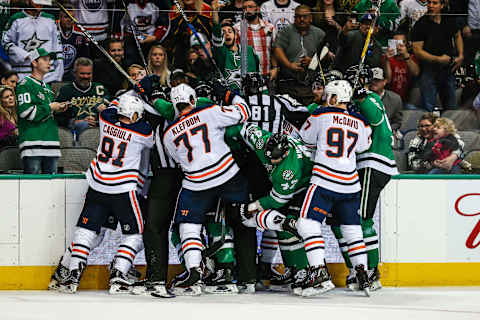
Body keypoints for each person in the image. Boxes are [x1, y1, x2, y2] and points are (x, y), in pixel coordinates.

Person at [58, 94, 154, 294]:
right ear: (135, 114)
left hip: (97, 184)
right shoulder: (143, 133)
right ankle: (119, 271)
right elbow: (149, 130)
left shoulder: (106, 119)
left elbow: (111, 106)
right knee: (135, 235)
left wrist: (128, 96)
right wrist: (143, 95)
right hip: (123, 189)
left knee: (88, 231)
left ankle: (72, 270)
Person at [162, 83, 251, 295]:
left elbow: (177, 159)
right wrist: (231, 95)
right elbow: (243, 112)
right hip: (228, 176)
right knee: (235, 220)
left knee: (187, 226)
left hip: (196, 183)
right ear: (193, 100)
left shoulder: (168, 133)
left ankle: (194, 271)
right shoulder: (209, 112)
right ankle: (229, 272)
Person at [297, 80, 372, 296]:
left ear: (334, 98)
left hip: (324, 180)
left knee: (307, 224)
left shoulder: (320, 114)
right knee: (352, 228)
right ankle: (362, 273)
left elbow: (305, 140)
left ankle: (318, 273)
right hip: (350, 183)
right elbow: (363, 146)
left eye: (327, 95)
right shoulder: (361, 122)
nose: (324, 99)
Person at [341, 65, 398, 291]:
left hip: (374, 162)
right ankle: (363, 269)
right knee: (356, 217)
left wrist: (361, 95)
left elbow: (375, 119)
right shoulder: (357, 102)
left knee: (362, 218)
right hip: (367, 164)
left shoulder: (371, 98)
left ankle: (372, 271)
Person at [16, 48, 68, 174]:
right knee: (32, 186)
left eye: (50, 60)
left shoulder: (48, 88)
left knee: (51, 187)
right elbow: (26, 112)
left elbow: (46, 112)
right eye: (45, 59)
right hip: (32, 143)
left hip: (51, 142)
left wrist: (58, 110)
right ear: (34, 62)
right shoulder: (25, 84)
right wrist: (51, 107)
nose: (49, 63)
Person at [412, 0, 464, 111]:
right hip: (428, 69)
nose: (430, 6)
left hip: (447, 69)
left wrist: (460, 55)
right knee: (428, 108)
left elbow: (457, 35)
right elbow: (417, 50)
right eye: (429, 3)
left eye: (435, 3)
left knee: (451, 107)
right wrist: (438, 59)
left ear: (442, 5)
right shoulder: (421, 24)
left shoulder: (448, 19)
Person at [273, 5, 326, 105]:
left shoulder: (319, 33)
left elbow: (326, 54)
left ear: (311, 18)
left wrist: (313, 62)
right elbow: (277, 49)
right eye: (298, 16)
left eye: (305, 16)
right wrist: (289, 65)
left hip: (311, 84)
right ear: (294, 18)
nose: (301, 19)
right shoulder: (286, 31)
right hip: (288, 82)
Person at [2, 0, 64, 83]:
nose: (40, 4)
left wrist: (58, 72)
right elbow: (6, 42)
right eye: (37, 1)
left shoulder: (50, 19)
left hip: (48, 76)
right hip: (22, 74)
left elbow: (57, 46)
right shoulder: (16, 19)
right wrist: (25, 55)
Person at [212, 0, 260, 92]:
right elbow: (216, 30)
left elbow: (257, 73)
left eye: (230, 31)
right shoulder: (222, 53)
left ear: (236, 35)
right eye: (223, 32)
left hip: (251, 95)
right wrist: (215, 12)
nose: (227, 34)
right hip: (230, 97)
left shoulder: (249, 50)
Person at [55, 58, 111, 136]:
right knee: (83, 125)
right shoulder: (66, 90)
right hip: (75, 128)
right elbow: (57, 116)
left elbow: (112, 109)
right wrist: (74, 121)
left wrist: (104, 112)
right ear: (74, 73)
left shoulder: (100, 88)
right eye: (82, 73)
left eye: (89, 74)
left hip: (99, 126)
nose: (86, 76)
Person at [233, 0, 277, 79]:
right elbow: (234, 54)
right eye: (244, 8)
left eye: (250, 7)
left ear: (258, 9)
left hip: (267, 74)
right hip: (246, 76)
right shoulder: (237, 28)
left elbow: (274, 50)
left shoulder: (269, 27)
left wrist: (275, 68)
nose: (247, 10)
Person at [163, 0, 212, 70]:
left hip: (203, 49)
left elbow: (210, 33)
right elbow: (172, 34)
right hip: (181, 51)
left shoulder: (206, 9)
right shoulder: (175, 10)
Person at [384, 30, 420, 103]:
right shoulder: (388, 59)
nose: (398, 46)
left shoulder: (411, 58)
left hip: (408, 98)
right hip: (390, 99)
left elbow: (416, 73)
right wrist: (387, 60)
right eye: (396, 43)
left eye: (402, 42)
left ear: (406, 44)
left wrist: (406, 55)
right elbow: (388, 79)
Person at [57, 4, 90, 82]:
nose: (69, 20)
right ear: (60, 18)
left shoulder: (80, 33)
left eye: (72, 17)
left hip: (71, 72)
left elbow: (84, 57)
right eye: (66, 17)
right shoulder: (52, 30)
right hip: (54, 71)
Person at [369, 67, 403, 136]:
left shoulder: (395, 99)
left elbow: (397, 122)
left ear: (384, 82)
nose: (373, 82)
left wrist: (387, 130)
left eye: (377, 80)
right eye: (371, 80)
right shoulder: (362, 98)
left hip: (385, 133)